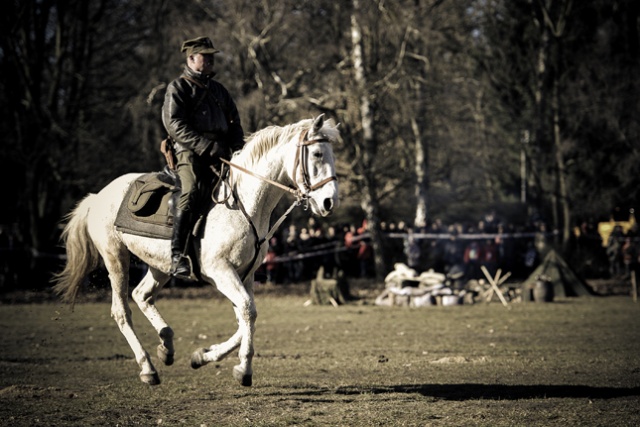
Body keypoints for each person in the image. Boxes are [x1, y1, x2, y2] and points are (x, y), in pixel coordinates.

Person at [162, 36, 245, 279]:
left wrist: (239, 149)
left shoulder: (219, 90)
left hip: (221, 150)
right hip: (189, 150)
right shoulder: (178, 88)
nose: (210, 60)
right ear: (191, 59)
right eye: (205, 56)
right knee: (191, 190)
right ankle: (177, 254)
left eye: (211, 57)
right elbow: (174, 124)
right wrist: (206, 146)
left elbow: (234, 122)